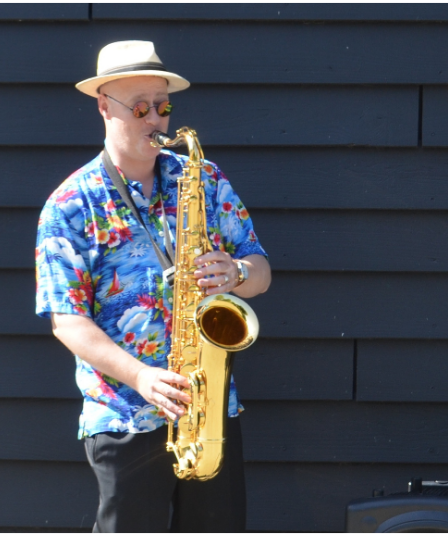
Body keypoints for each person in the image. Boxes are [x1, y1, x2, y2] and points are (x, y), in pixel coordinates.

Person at [34, 40, 271, 532]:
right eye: (139, 108)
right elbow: (66, 320)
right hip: (125, 416)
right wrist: (142, 377)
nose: (156, 120)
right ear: (104, 106)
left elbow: (260, 269)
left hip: (209, 409)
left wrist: (237, 273)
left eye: (162, 107)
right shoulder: (70, 205)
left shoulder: (204, 179)